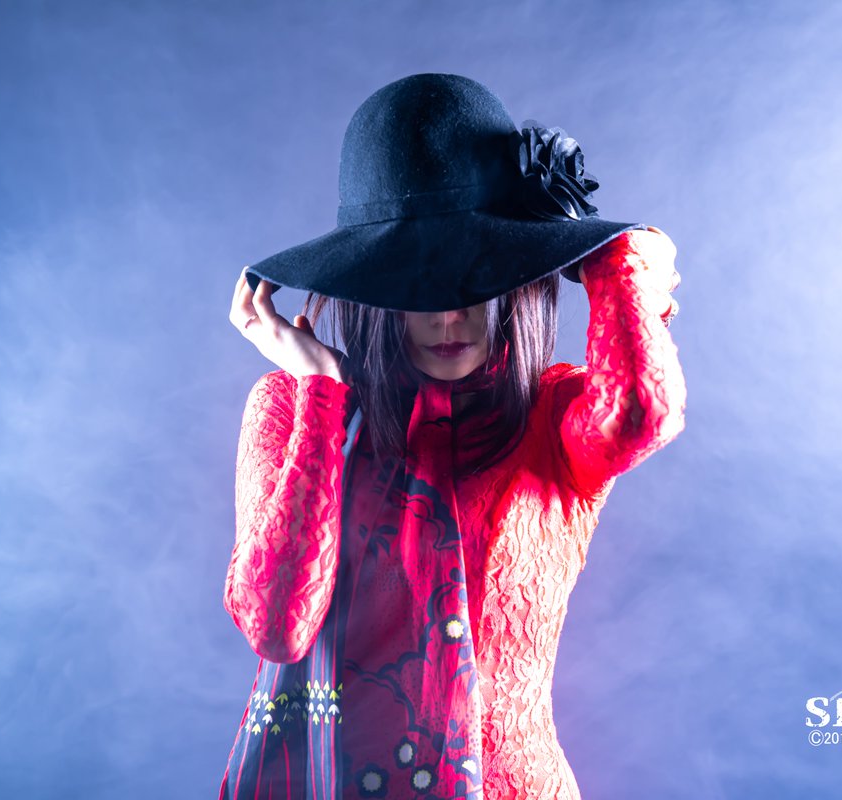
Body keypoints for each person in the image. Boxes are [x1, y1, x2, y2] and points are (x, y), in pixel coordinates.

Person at [217, 73, 686, 800]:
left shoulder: (556, 417)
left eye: (475, 277)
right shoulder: (292, 407)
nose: (447, 316)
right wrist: (320, 392)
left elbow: (641, 414)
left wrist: (610, 259)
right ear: (373, 290)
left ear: (518, 278)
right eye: (417, 286)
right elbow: (277, 624)